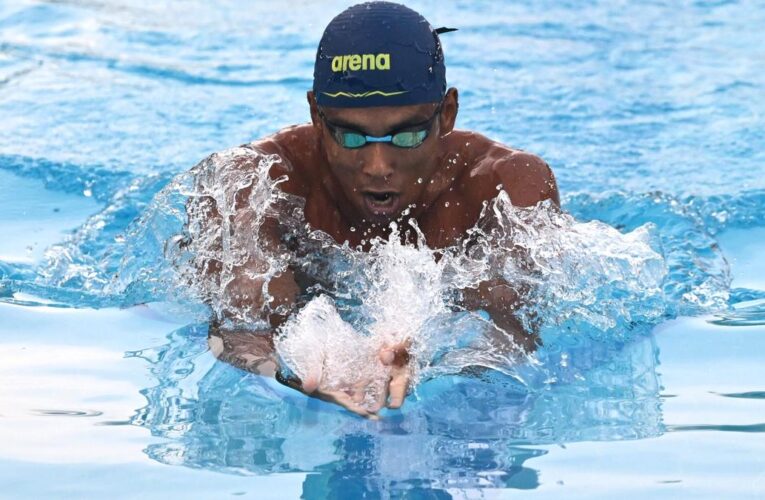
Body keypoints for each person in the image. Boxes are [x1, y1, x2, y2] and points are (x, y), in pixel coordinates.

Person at [193, 1, 560, 418]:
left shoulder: (504, 185)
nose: (379, 167)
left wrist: (439, 360)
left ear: (448, 114)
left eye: (406, 136)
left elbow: (513, 327)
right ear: (316, 115)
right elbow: (239, 327)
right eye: (352, 138)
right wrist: (294, 371)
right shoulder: (250, 183)